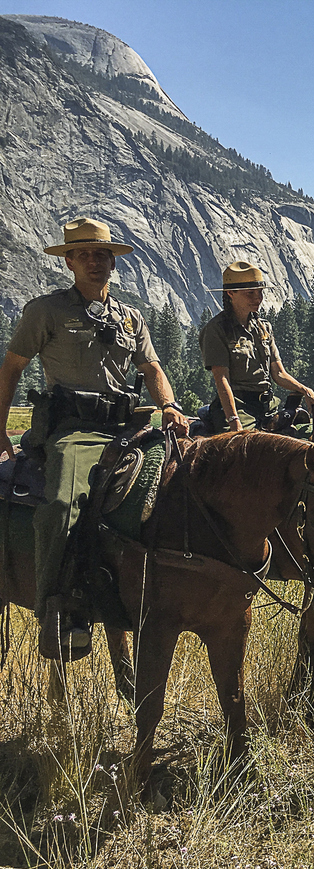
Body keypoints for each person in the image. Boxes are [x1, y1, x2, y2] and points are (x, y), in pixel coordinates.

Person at [0, 217, 189, 659]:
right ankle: (55, 610)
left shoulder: (129, 317)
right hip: (71, 432)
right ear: (68, 261)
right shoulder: (45, 311)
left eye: (101, 254)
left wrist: (170, 406)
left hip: (125, 430)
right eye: (83, 254)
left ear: (112, 262)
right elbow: (11, 368)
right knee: (62, 505)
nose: (94, 261)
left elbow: (153, 369)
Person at [199, 262, 314, 433]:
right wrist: (234, 420)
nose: (258, 298)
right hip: (238, 407)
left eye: (260, 292)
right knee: (244, 447)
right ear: (230, 294)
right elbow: (222, 380)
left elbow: (279, 374)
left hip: (268, 405)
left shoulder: (264, 327)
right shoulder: (216, 330)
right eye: (250, 293)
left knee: (309, 436)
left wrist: (306, 391)